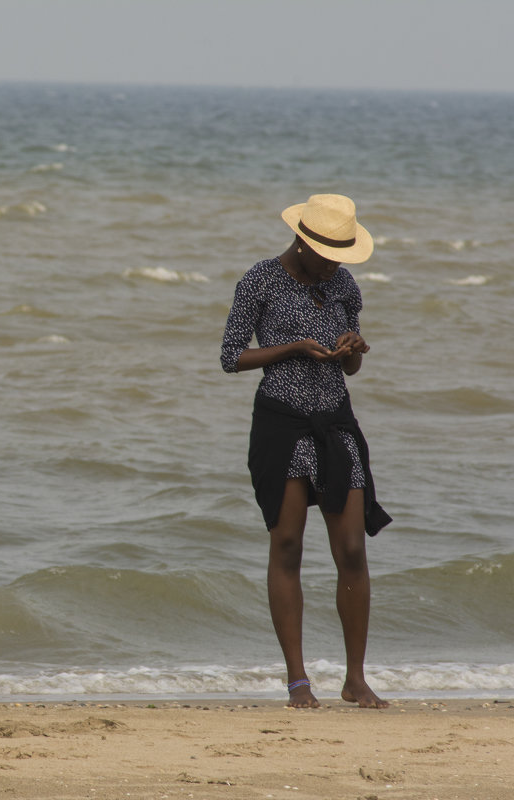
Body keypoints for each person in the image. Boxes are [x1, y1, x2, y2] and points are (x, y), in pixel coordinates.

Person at [220, 194, 391, 709]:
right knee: (288, 546)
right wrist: (292, 348)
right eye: (326, 252)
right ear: (302, 240)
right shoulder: (260, 280)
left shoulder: (343, 284)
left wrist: (353, 350)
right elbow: (231, 356)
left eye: (342, 253)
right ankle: (298, 681)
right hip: (282, 425)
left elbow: (350, 369)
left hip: (336, 423)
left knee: (353, 551)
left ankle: (355, 679)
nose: (334, 263)